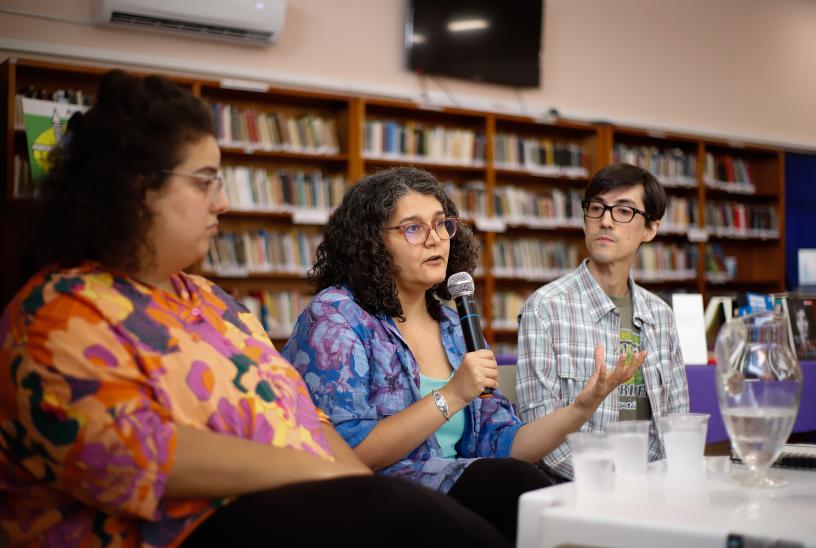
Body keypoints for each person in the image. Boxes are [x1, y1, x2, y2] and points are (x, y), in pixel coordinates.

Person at [0, 71, 512, 547]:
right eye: (205, 181)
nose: (222, 202)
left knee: (444, 514)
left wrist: (356, 485)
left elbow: (311, 420)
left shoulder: (213, 302)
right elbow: (144, 455)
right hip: (186, 531)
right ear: (136, 190)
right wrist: (333, 480)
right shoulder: (58, 314)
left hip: (289, 503)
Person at [282, 167, 643, 543]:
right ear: (371, 242)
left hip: (460, 491)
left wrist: (581, 408)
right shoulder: (337, 316)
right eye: (413, 228)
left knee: (535, 494)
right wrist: (452, 394)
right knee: (507, 488)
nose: (435, 240)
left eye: (442, 224)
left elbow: (503, 442)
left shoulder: (455, 325)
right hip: (375, 499)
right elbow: (348, 451)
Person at [516, 162, 690, 481]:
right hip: (574, 486)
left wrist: (649, 481)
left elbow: (676, 422)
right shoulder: (546, 308)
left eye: (623, 211)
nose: (606, 221)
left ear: (650, 229)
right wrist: (612, 481)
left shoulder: (660, 316)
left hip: (651, 486)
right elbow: (540, 434)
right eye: (596, 208)